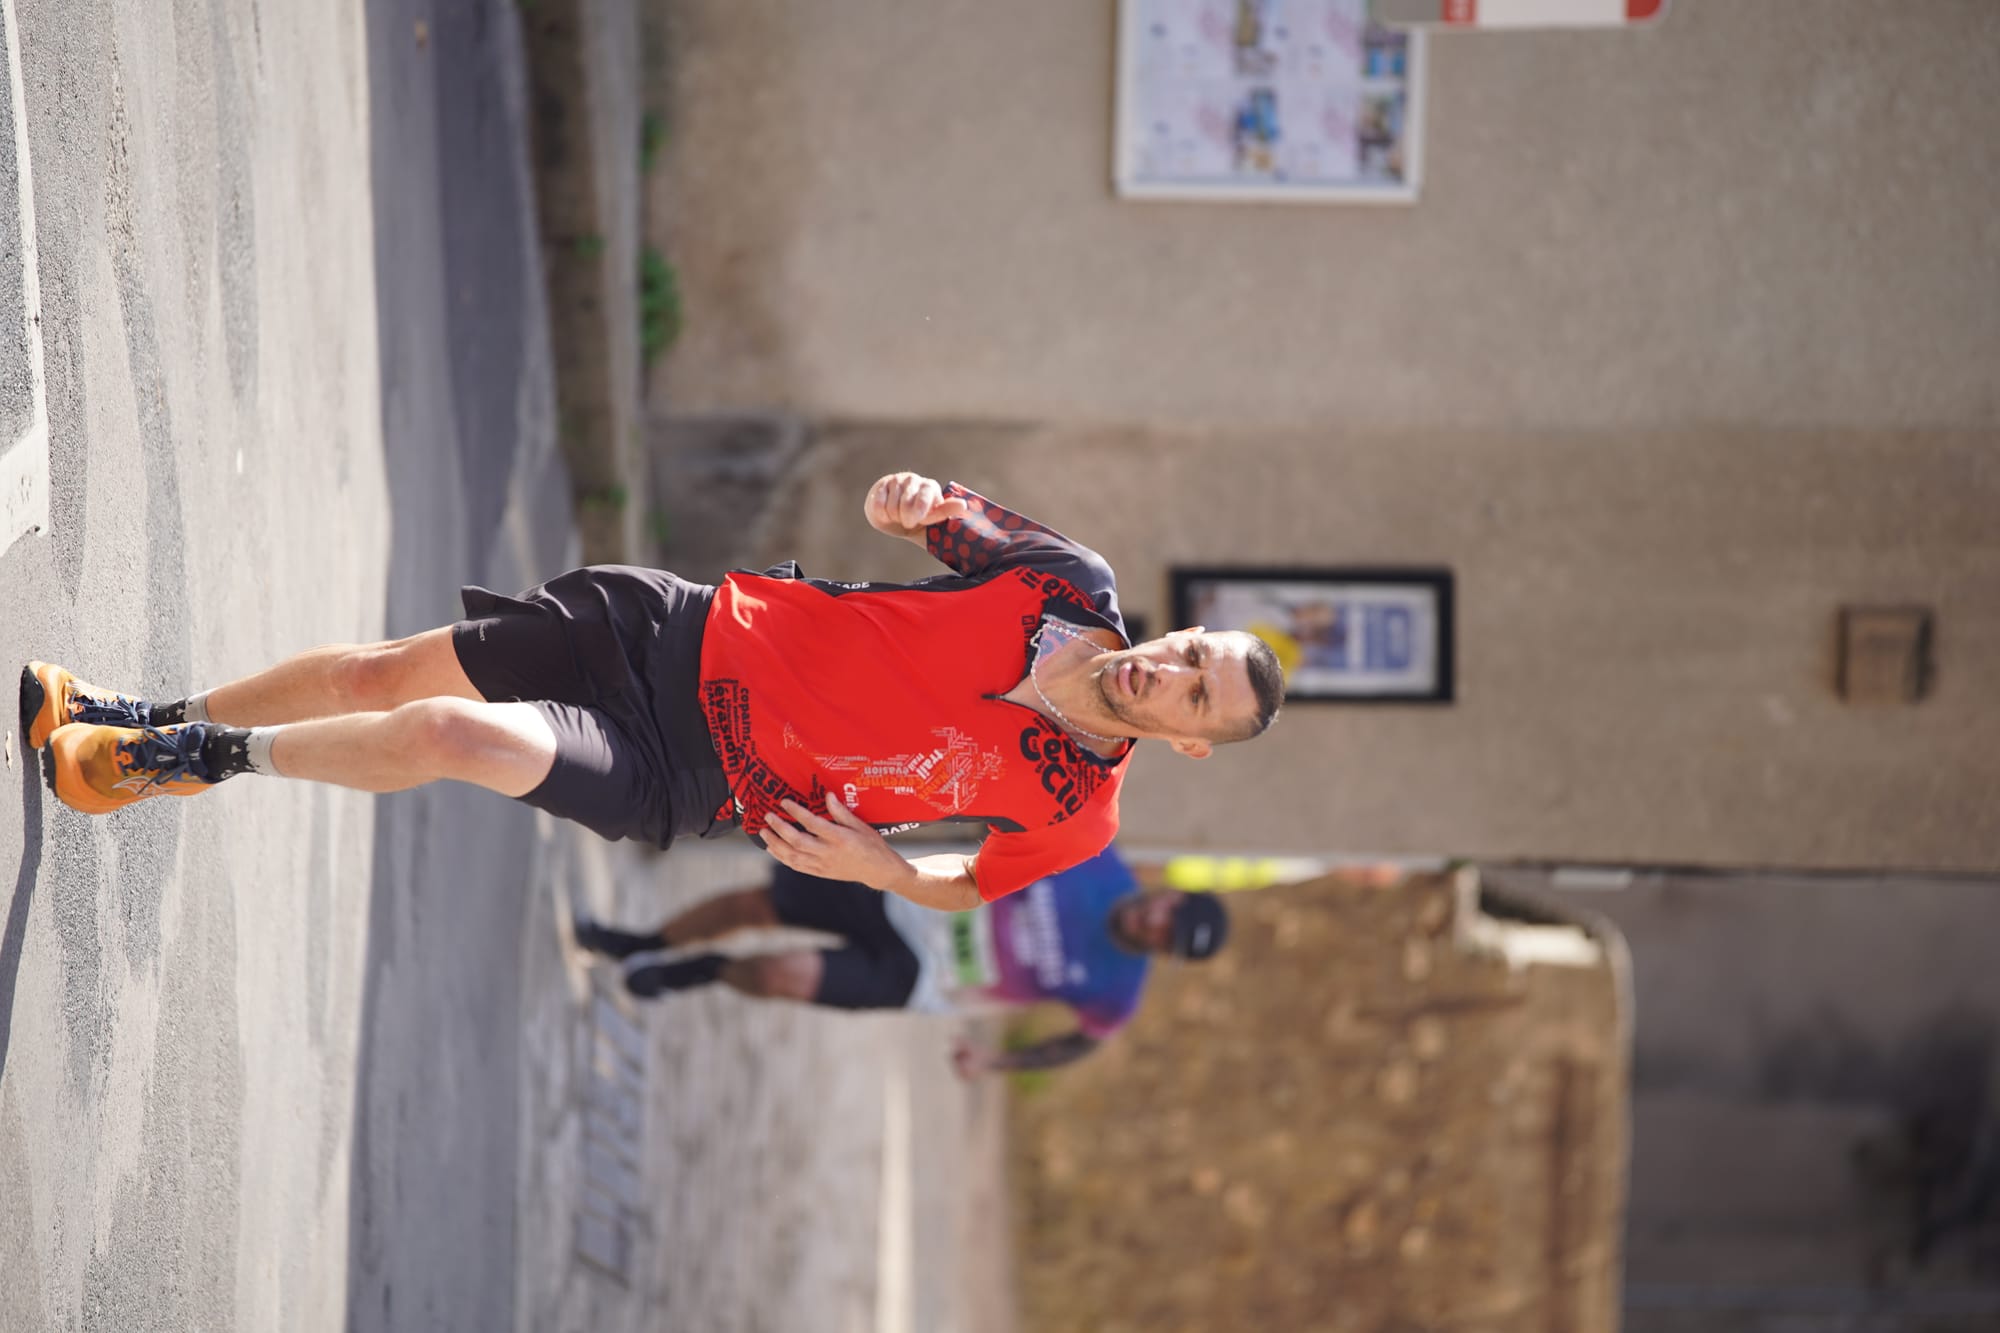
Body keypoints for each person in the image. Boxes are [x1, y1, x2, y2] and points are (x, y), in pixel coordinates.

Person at [26, 473, 1284, 907]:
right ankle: (155, 718)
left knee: (446, 729)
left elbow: (968, 887)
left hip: (697, 775)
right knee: (378, 670)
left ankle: (194, 763)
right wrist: (901, 502)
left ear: (1189, 745)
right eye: (1188, 651)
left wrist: (884, 871)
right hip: (678, 628)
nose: (1165, 671)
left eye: (1191, 696)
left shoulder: (1079, 812)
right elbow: (937, 518)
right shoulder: (1070, 582)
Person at [573, 845, 1228, 1076]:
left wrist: (995, 1061)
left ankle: (708, 970)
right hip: (907, 892)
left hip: (923, 977)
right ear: (1170, 891)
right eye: (1171, 911)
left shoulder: (1119, 991)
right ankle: (642, 941)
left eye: (1168, 937)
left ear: (1163, 955)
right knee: (757, 902)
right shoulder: (1095, 860)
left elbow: (1078, 1045)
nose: (1157, 922)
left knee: (781, 975)